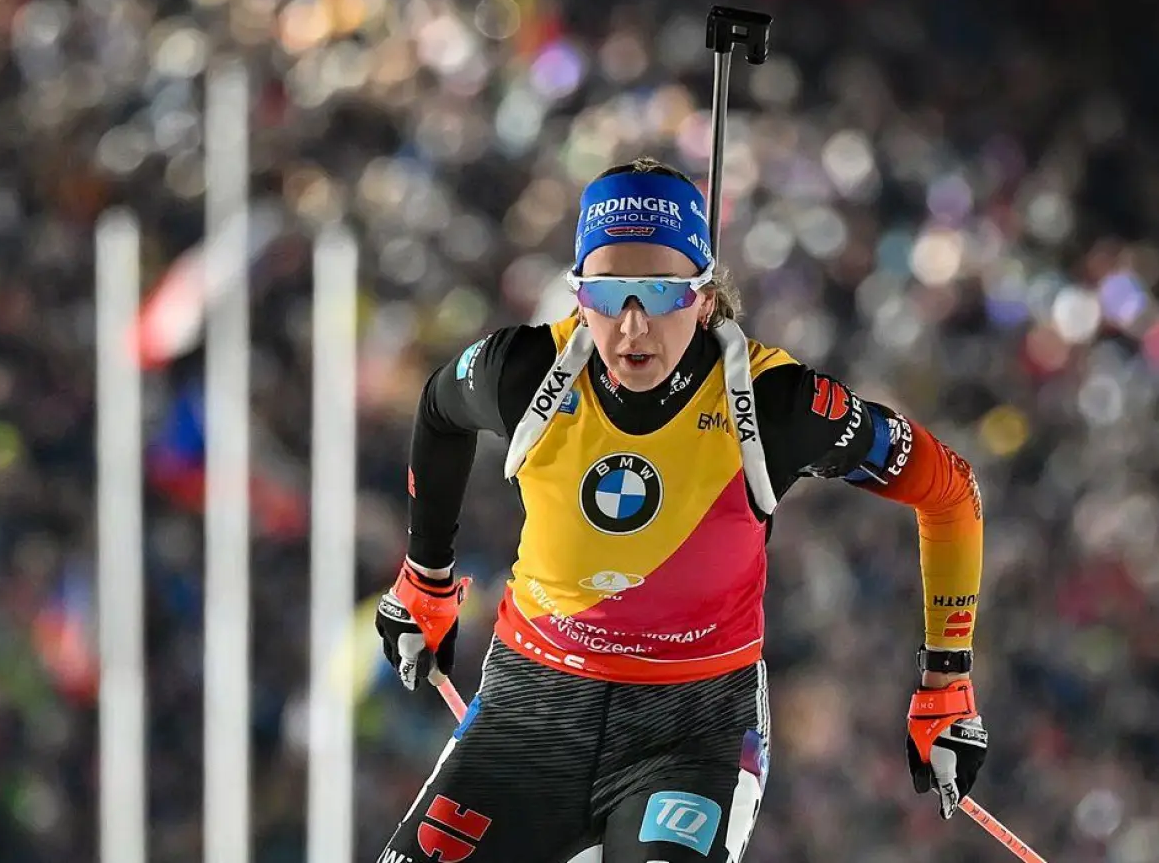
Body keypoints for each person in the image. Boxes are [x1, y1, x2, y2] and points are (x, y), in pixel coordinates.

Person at [373, 157, 990, 863]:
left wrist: (948, 681)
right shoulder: (521, 372)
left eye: (661, 293)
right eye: (610, 295)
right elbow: (439, 412)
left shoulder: (775, 404)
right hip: (532, 712)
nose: (633, 326)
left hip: (691, 728)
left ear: (702, 298)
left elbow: (950, 491)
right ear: (579, 298)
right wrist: (424, 580)